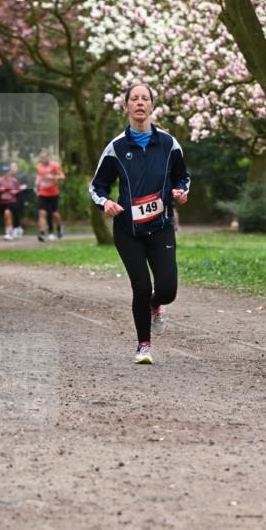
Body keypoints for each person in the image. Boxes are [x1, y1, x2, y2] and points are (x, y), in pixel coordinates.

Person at [89, 82, 191, 364]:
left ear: (152, 106)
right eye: (134, 98)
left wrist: (182, 191)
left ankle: (158, 305)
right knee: (142, 287)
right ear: (126, 106)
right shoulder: (116, 148)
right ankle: (143, 345)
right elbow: (97, 186)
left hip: (160, 227)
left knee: (167, 289)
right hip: (127, 230)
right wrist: (106, 203)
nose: (139, 103)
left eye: (145, 98)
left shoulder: (169, 144)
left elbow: (184, 176)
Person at [35, 149, 65, 241]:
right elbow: (39, 176)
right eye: (41, 157)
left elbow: (62, 177)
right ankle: (42, 233)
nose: (43, 159)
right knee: (42, 213)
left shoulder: (55, 165)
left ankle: (59, 229)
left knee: (54, 213)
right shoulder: (39, 166)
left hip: (53, 193)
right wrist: (36, 184)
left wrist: (53, 177)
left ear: (48, 157)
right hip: (42, 192)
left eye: (44, 157)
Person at [0, 163, 26, 240]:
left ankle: (9, 233)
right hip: (3, 201)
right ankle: (9, 231)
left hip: (12, 201)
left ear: (10, 172)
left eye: (7, 171)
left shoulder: (14, 180)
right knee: (6, 217)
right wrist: (0, 190)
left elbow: (18, 189)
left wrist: (15, 191)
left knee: (7, 213)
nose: (6, 173)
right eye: (5, 171)